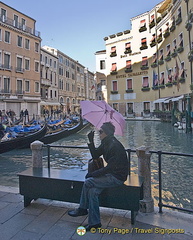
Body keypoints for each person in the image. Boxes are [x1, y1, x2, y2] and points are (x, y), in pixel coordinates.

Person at [68, 122, 128, 231]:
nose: (99, 134)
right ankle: (95, 223)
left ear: (107, 133)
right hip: (110, 174)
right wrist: (91, 141)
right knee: (92, 192)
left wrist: (93, 174)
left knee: (88, 182)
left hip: (117, 177)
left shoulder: (114, 145)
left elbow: (110, 168)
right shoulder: (106, 142)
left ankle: (82, 208)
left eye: (100, 132)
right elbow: (95, 155)